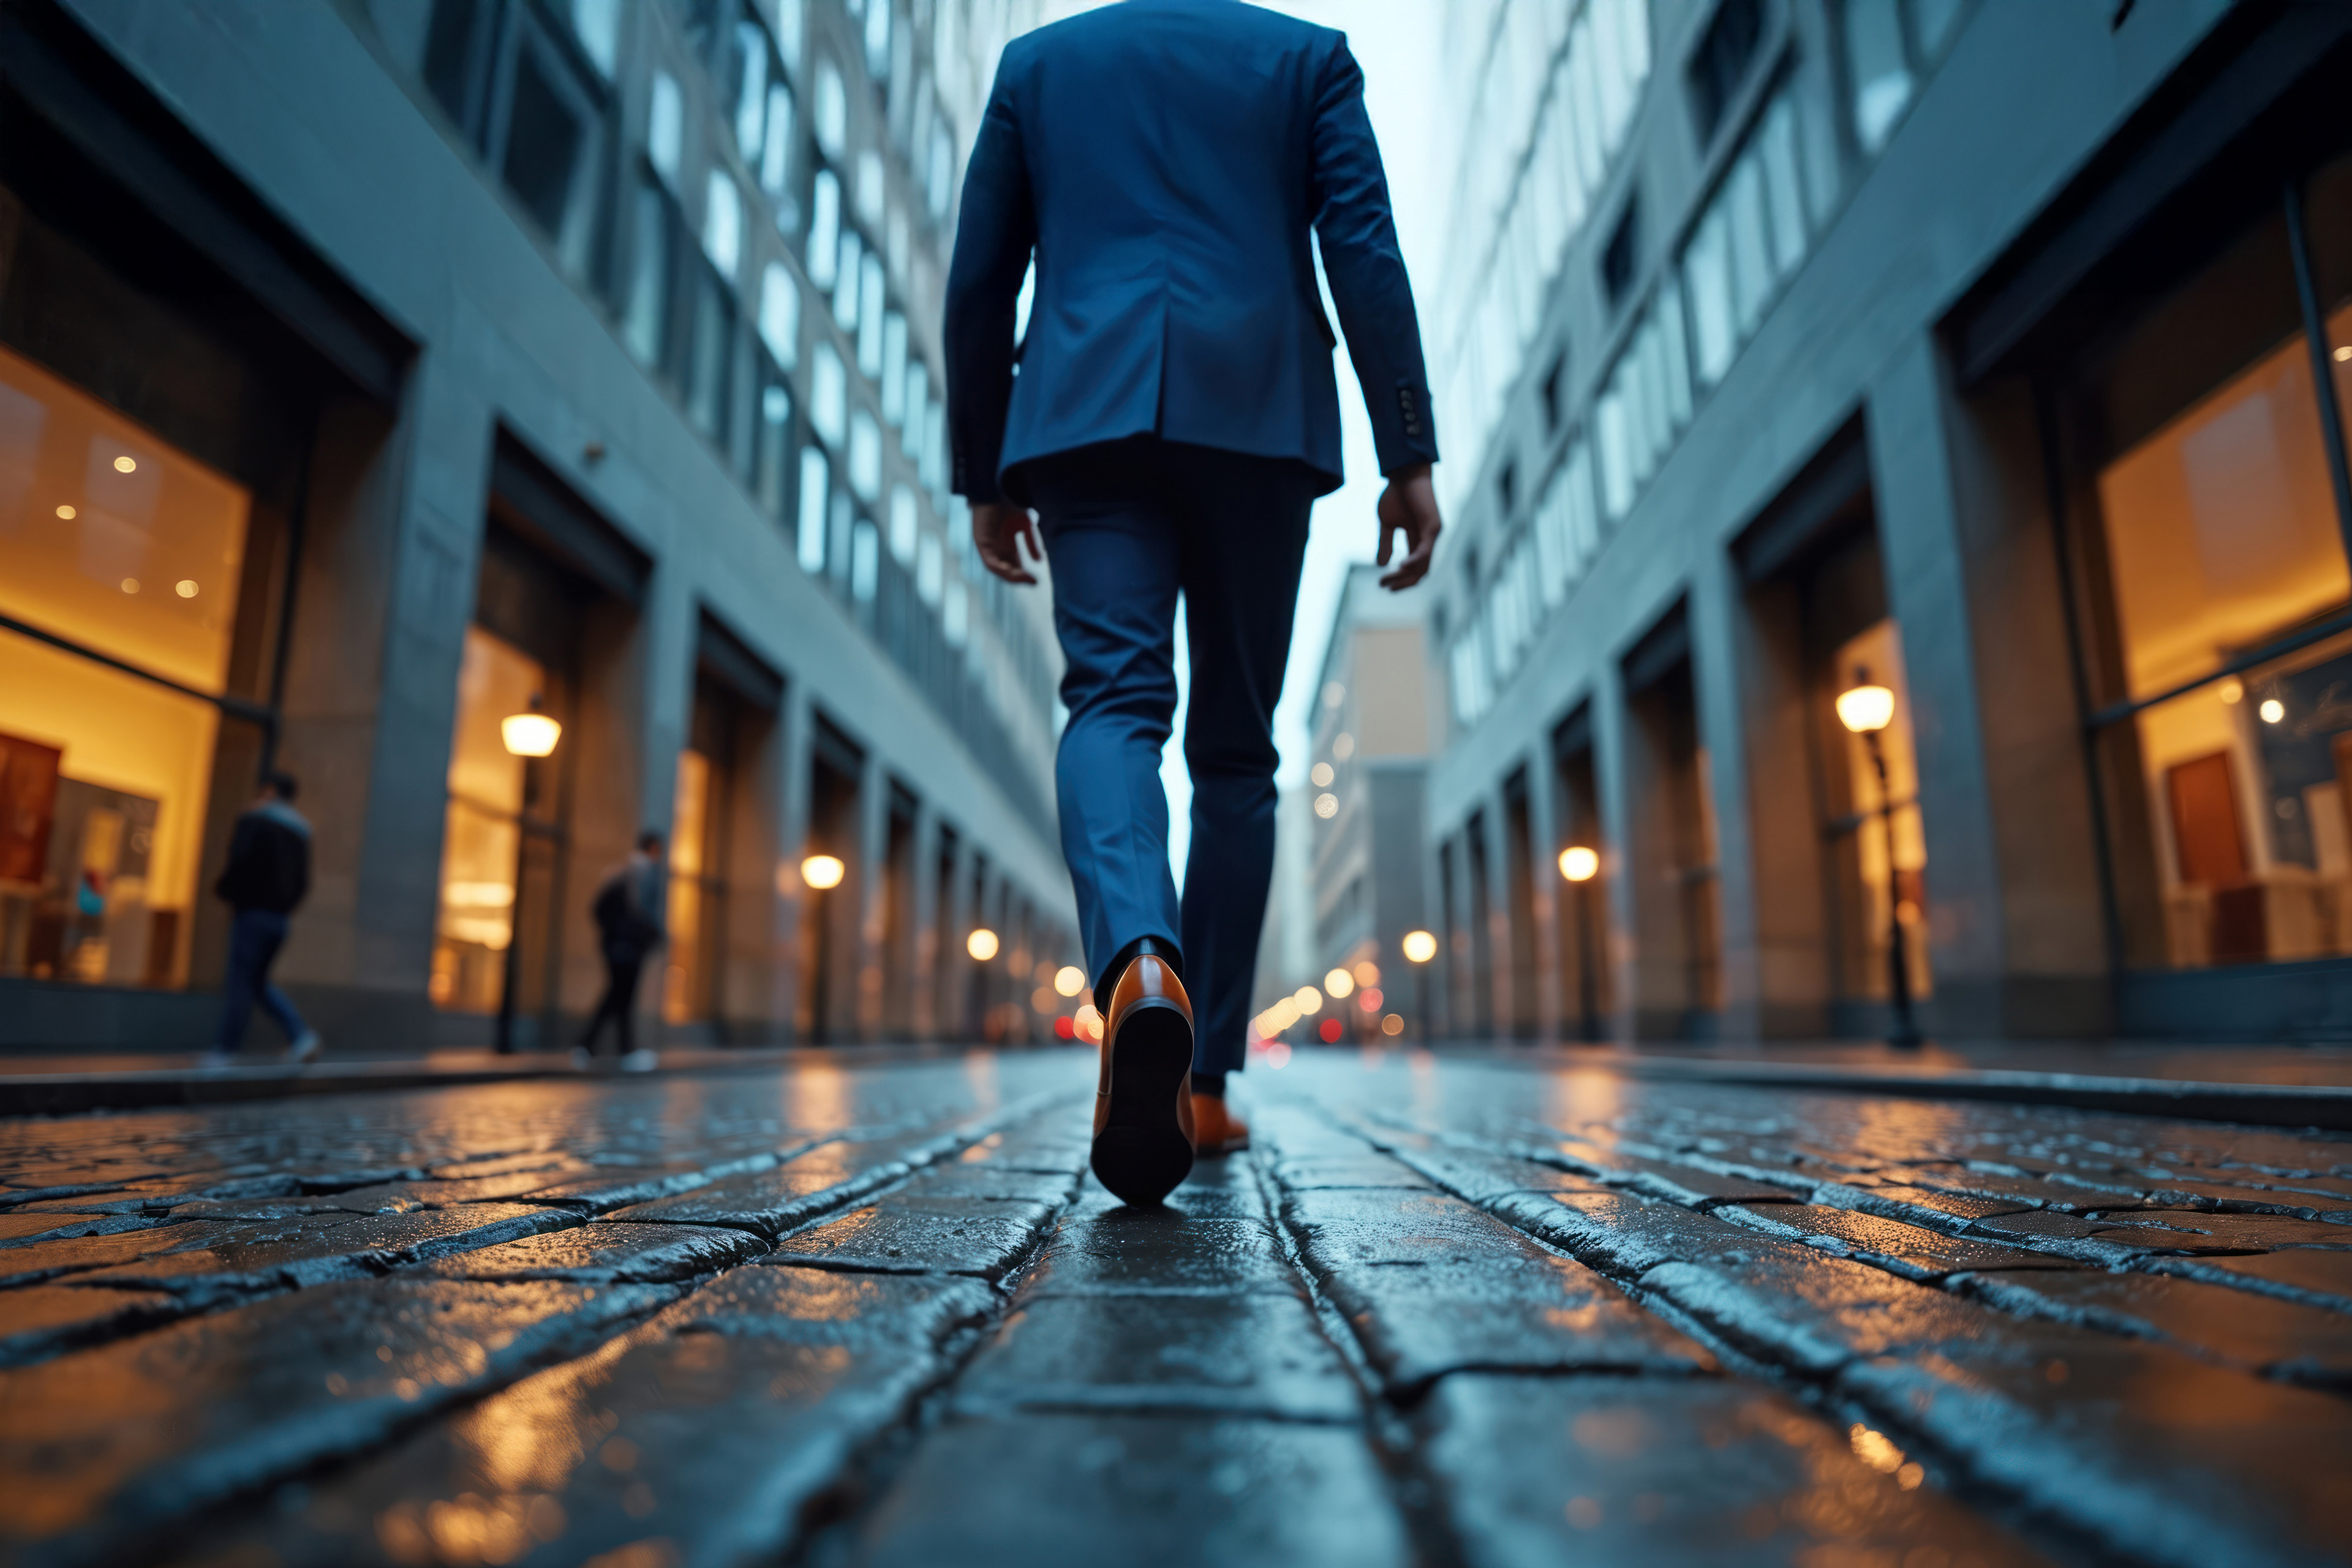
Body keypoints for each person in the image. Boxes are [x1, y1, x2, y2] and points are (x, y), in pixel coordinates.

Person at [945, 0, 1441, 1205]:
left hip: (1085, 413)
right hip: (1259, 418)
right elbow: (1365, 253)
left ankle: (1139, 963)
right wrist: (1408, 450)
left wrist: (982, 472)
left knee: (1112, 704)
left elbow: (980, 282)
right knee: (1235, 755)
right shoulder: (1308, 61)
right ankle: (1207, 1081)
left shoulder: (1038, 66)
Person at [203, 770, 321, 1068]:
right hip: (279, 919)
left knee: (242, 981)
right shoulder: (301, 831)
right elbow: (303, 883)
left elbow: (239, 862)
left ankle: (225, 1050)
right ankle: (300, 1036)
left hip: (252, 912)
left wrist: (227, 892)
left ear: (269, 790)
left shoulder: (255, 820)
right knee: (257, 982)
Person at [576, 831, 665, 1072]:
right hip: (626, 947)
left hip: (620, 945)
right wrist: (639, 935)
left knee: (619, 996)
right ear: (653, 849)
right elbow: (639, 911)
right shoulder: (640, 872)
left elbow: (601, 910)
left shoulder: (622, 872)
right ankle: (606, 1048)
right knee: (620, 995)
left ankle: (598, 1047)